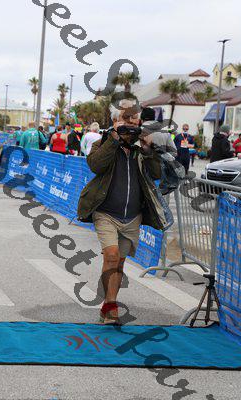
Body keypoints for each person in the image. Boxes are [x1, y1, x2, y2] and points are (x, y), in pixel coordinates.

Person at [77, 99, 165, 325]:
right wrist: (114, 139)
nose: (132, 122)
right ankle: (111, 307)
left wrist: (149, 149)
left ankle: (109, 304)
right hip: (105, 213)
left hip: (132, 216)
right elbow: (96, 165)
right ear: (116, 120)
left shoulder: (141, 147)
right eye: (127, 118)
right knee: (112, 256)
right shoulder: (102, 143)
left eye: (135, 118)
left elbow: (157, 174)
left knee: (119, 263)